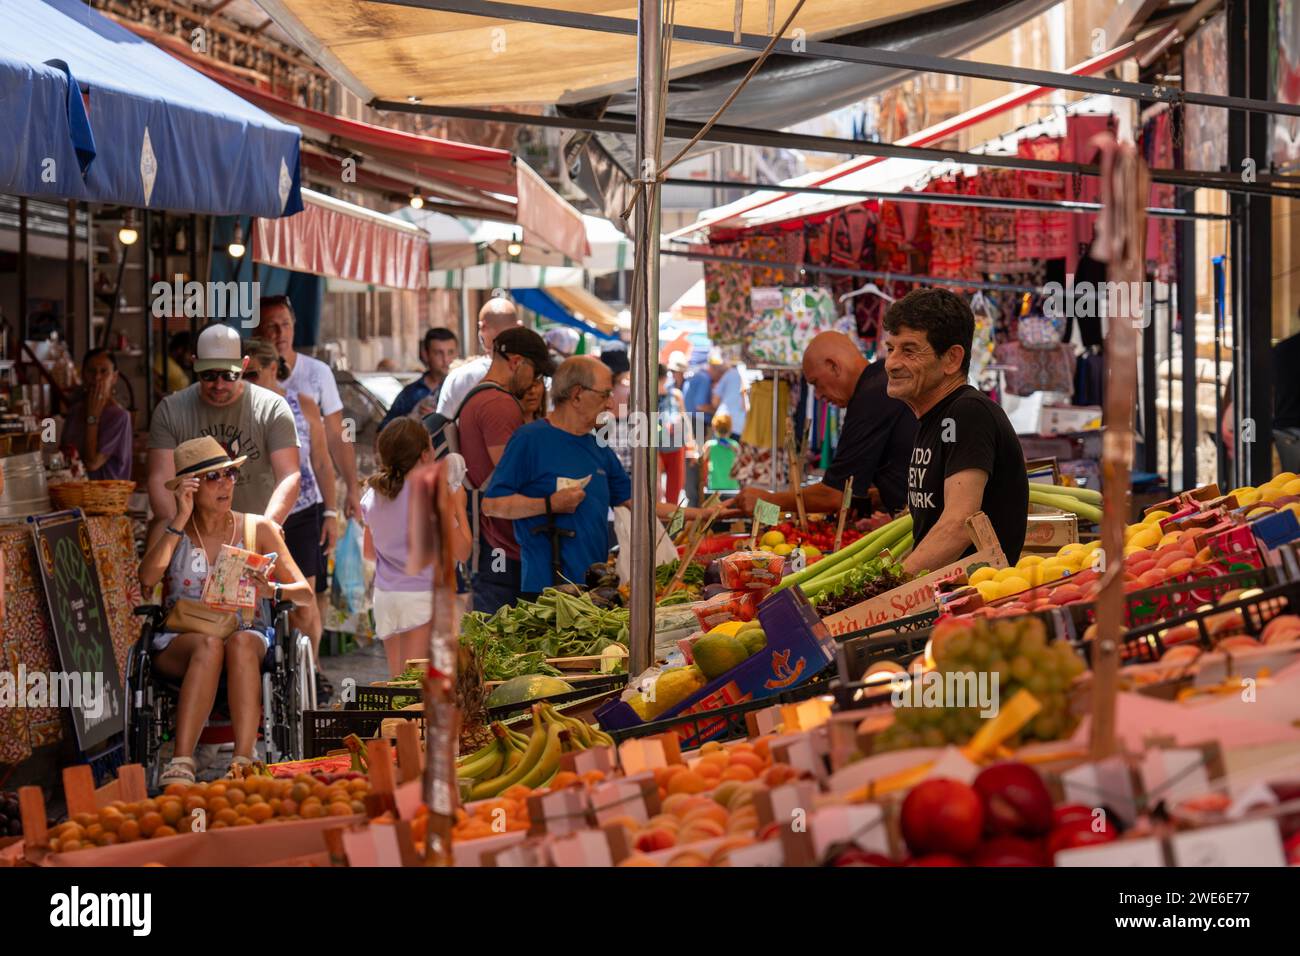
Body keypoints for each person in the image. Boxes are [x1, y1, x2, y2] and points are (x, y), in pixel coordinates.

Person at [139, 437, 315, 785]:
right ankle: (182, 762)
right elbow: (147, 578)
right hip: (183, 640)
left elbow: (305, 594)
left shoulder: (256, 529)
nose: (226, 483)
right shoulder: (172, 529)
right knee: (209, 644)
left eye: (230, 474)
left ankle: (243, 759)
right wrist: (180, 518)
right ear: (189, 487)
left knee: (239, 642)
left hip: (244, 634)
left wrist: (272, 589)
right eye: (213, 477)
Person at [881, 289, 1028, 572]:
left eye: (909, 350)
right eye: (890, 349)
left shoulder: (967, 413)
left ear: (951, 359)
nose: (891, 363)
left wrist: (891, 587)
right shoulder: (935, 417)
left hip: (972, 602)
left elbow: (960, 523)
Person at [241, 338, 337, 701]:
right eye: (242, 374)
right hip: (252, 511)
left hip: (300, 510)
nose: (245, 381)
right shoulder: (238, 407)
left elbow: (323, 461)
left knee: (303, 601)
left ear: (271, 368)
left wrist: (331, 511)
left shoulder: (301, 404)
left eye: (252, 373)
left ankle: (310, 670)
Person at [733, 330, 916, 517]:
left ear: (834, 366)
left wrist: (769, 501)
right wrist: (878, 497)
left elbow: (834, 495)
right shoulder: (879, 380)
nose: (818, 396)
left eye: (816, 383)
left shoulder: (870, 396)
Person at [147, 323, 301, 529]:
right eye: (208, 375)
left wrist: (266, 528)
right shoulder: (170, 410)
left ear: (244, 365)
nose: (219, 384)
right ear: (195, 364)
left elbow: (289, 474)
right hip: (192, 537)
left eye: (229, 375)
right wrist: (174, 533)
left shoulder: (272, 408)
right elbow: (160, 479)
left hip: (253, 532)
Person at [361, 419, 472, 676]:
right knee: (418, 691)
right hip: (423, 598)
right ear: (425, 454)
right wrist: (459, 506)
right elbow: (463, 551)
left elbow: (368, 552)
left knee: (398, 682)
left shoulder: (372, 494)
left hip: (387, 598)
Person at [458, 327, 554, 613]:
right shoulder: (499, 404)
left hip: (491, 540)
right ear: (516, 362)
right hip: (500, 541)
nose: (535, 381)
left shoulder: (476, 396)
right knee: (504, 634)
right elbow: (514, 473)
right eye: (534, 371)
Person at [255, 296, 362, 524]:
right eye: (271, 326)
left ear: (294, 325)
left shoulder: (318, 373)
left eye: (285, 324)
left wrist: (352, 488)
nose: (280, 332)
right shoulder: (251, 375)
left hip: (310, 499)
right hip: (260, 502)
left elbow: (338, 434)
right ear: (257, 331)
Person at [435, 298, 523, 417]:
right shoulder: (535, 376)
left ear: (482, 327)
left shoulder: (460, 378)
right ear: (519, 326)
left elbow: (443, 425)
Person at [62, 348, 133, 480]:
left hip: (106, 496)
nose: (96, 378)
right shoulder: (75, 411)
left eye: (104, 371)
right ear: (82, 375)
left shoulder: (119, 417)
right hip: (76, 492)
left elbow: (92, 463)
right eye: (91, 371)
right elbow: (65, 453)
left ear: (114, 377)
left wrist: (92, 418)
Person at [381, 327, 460, 430]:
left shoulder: (462, 387)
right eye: (438, 353)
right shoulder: (411, 393)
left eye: (450, 352)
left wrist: (441, 418)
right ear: (426, 354)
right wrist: (412, 420)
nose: (446, 359)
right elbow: (383, 434)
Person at [657, 362, 692, 504]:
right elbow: (684, 418)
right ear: (665, 377)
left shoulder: (674, 395)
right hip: (670, 444)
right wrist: (691, 442)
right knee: (673, 488)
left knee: (658, 487)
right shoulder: (675, 394)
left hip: (660, 444)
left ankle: (660, 520)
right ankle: (669, 522)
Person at [700, 412, 740, 497]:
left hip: (715, 488)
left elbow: (701, 462)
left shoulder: (709, 446)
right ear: (730, 429)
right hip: (732, 487)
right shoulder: (735, 446)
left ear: (714, 428)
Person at [710, 349, 748, 439]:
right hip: (740, 425)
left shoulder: (728, 375)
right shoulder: (745, 376)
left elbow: (715, 401)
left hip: (722, 421)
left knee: (717, 451)